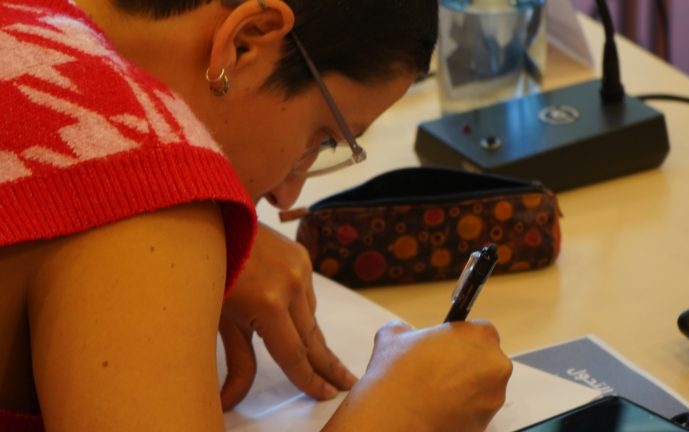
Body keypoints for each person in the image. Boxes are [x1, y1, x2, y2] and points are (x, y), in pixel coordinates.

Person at [0, 0, 513, 430]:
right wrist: (400, 415)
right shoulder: (143, 186)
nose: (287, 198)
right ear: (246, 41)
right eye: (324, 137)